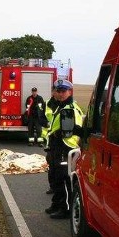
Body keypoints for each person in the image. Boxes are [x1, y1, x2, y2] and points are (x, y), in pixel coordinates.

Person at [42, 79, 84, 218]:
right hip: (57, 146)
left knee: (63, 179)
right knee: (55, 177)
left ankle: (65, 209)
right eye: (58, 91)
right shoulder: (61, 106)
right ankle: (56, 204)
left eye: (63, 91)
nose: (60, 94)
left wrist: (57, 135)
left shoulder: (69, 108)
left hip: (65, 147)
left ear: (70, 92)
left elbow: (71, 131)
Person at [41, 85, 61, 194]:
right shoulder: (47, 103)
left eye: (61, 91)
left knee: (59, 167)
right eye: (56, 91)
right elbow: (40, 118)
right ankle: (52, 187)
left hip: (61, 141)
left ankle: (58, 188)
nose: (58, 93)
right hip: (49, 140)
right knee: (51, 165)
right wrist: (47, 123)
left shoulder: (65, 105)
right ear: (52, 92)